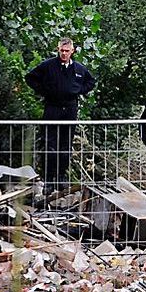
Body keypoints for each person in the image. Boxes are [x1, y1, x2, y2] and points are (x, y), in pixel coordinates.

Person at [25, 38, 96, 187]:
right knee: (50, 144)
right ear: (58, 50)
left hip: (70, 109)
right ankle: (49, 179)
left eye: (67, 51)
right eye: (61, 51)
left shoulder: (79, 69)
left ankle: (61, 177)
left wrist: (78, 91)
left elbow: (91, 82)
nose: (64, 54)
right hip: (52, 108)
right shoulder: (48, 65)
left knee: (65, 145)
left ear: (72, 51)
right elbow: (30, 78)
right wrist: (45, 91)